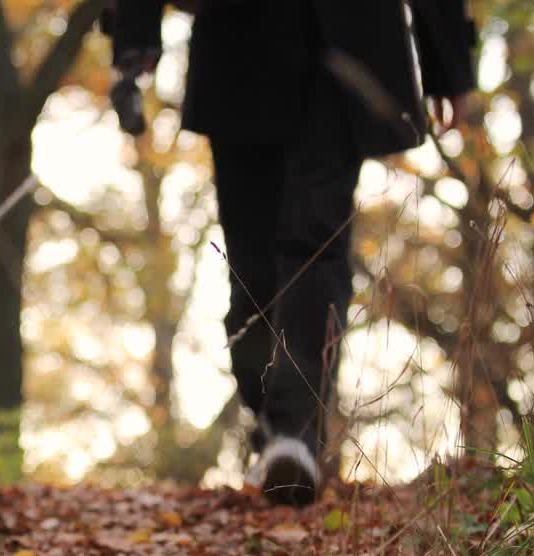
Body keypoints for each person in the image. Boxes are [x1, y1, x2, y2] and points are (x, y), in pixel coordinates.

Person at [102, 0, 477, 505]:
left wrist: (448, 59)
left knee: (314, 241)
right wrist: (134, 35)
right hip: (238, 48)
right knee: (250, 264)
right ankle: (274, 424)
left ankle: (292, 431)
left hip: (345, 54)